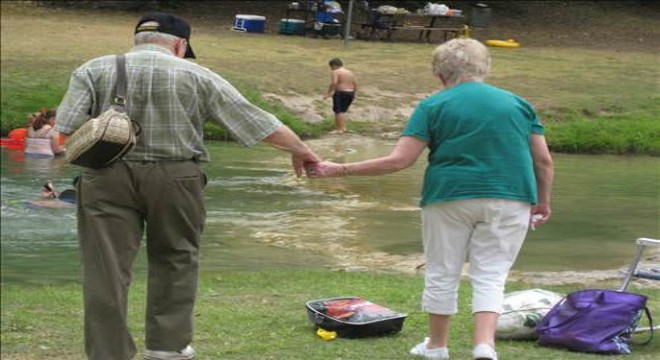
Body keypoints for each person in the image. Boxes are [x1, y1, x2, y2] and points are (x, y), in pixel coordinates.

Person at [55, 12, 321, 360]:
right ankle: (167, 348)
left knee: (104, 268)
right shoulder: (197, 75)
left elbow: (67, 128)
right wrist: (302, 151)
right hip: (177, 177)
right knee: (176, 258)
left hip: (106, 176)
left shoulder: (92, 69)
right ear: (180, 45)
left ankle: (109, 352)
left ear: (137, 39)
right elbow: (254, 121)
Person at [307, 38, 554, 360]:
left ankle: (437, 346)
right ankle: (484, 346)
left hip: (448, 196)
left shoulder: (433, 106)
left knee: (442, 271)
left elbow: (400, 161)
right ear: (485, 68)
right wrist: (542, 201)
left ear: (439, 75)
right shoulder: (520, 105)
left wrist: (337, 169)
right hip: (512, 197)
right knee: (491, 274)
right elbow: (544, 162)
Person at [323, 58, 357, 134]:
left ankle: (339, 129)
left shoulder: (336, 72)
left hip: (341, 92)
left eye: (331, 67)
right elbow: (354, 84)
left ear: (334, 65)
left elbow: (334, 83)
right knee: (342, 111)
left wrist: (328, 93)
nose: (331, 69)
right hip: (350, 93)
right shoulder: (349, 72)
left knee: (338, 111)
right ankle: (343, 127)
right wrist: (354, 93)